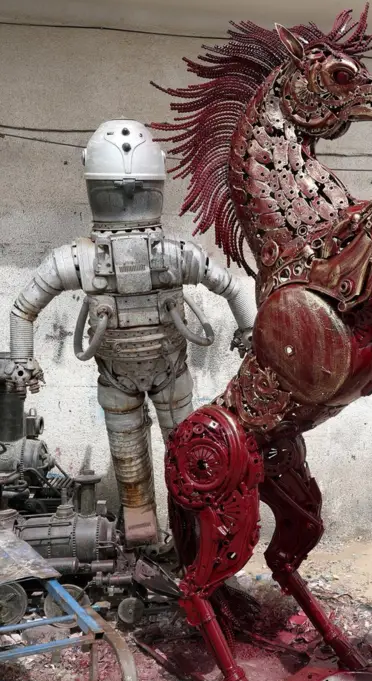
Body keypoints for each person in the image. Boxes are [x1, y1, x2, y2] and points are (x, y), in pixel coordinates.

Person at [9, 120, 256, 546]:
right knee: (186, 462)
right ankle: (185, 543)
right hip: (165, 376)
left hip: (126, 380)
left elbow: (23, 308)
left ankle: (177, 540)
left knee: (149, 469)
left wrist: (22, 363)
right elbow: (232, 286)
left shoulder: (76, 259)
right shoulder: (178, 255)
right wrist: (248, 334)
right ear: (155, 184)